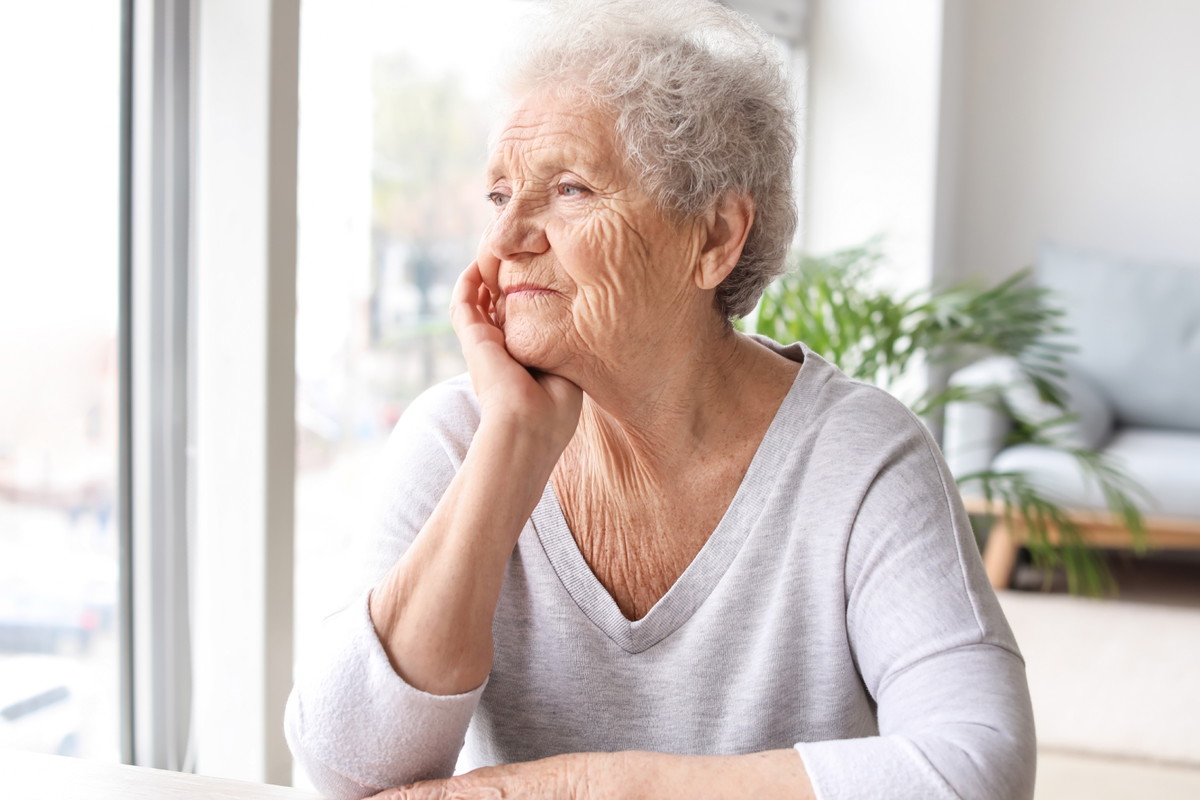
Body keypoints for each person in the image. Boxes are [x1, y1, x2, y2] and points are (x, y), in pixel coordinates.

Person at [284, 1, 1036, 798]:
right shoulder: (455, 436)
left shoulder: (860, 458)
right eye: (501, 195)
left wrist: (576, 790)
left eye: (569, 189)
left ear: (715, 237)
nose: (504, 243)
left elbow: (977, 768)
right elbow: (341, 771)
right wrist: (508, 448)